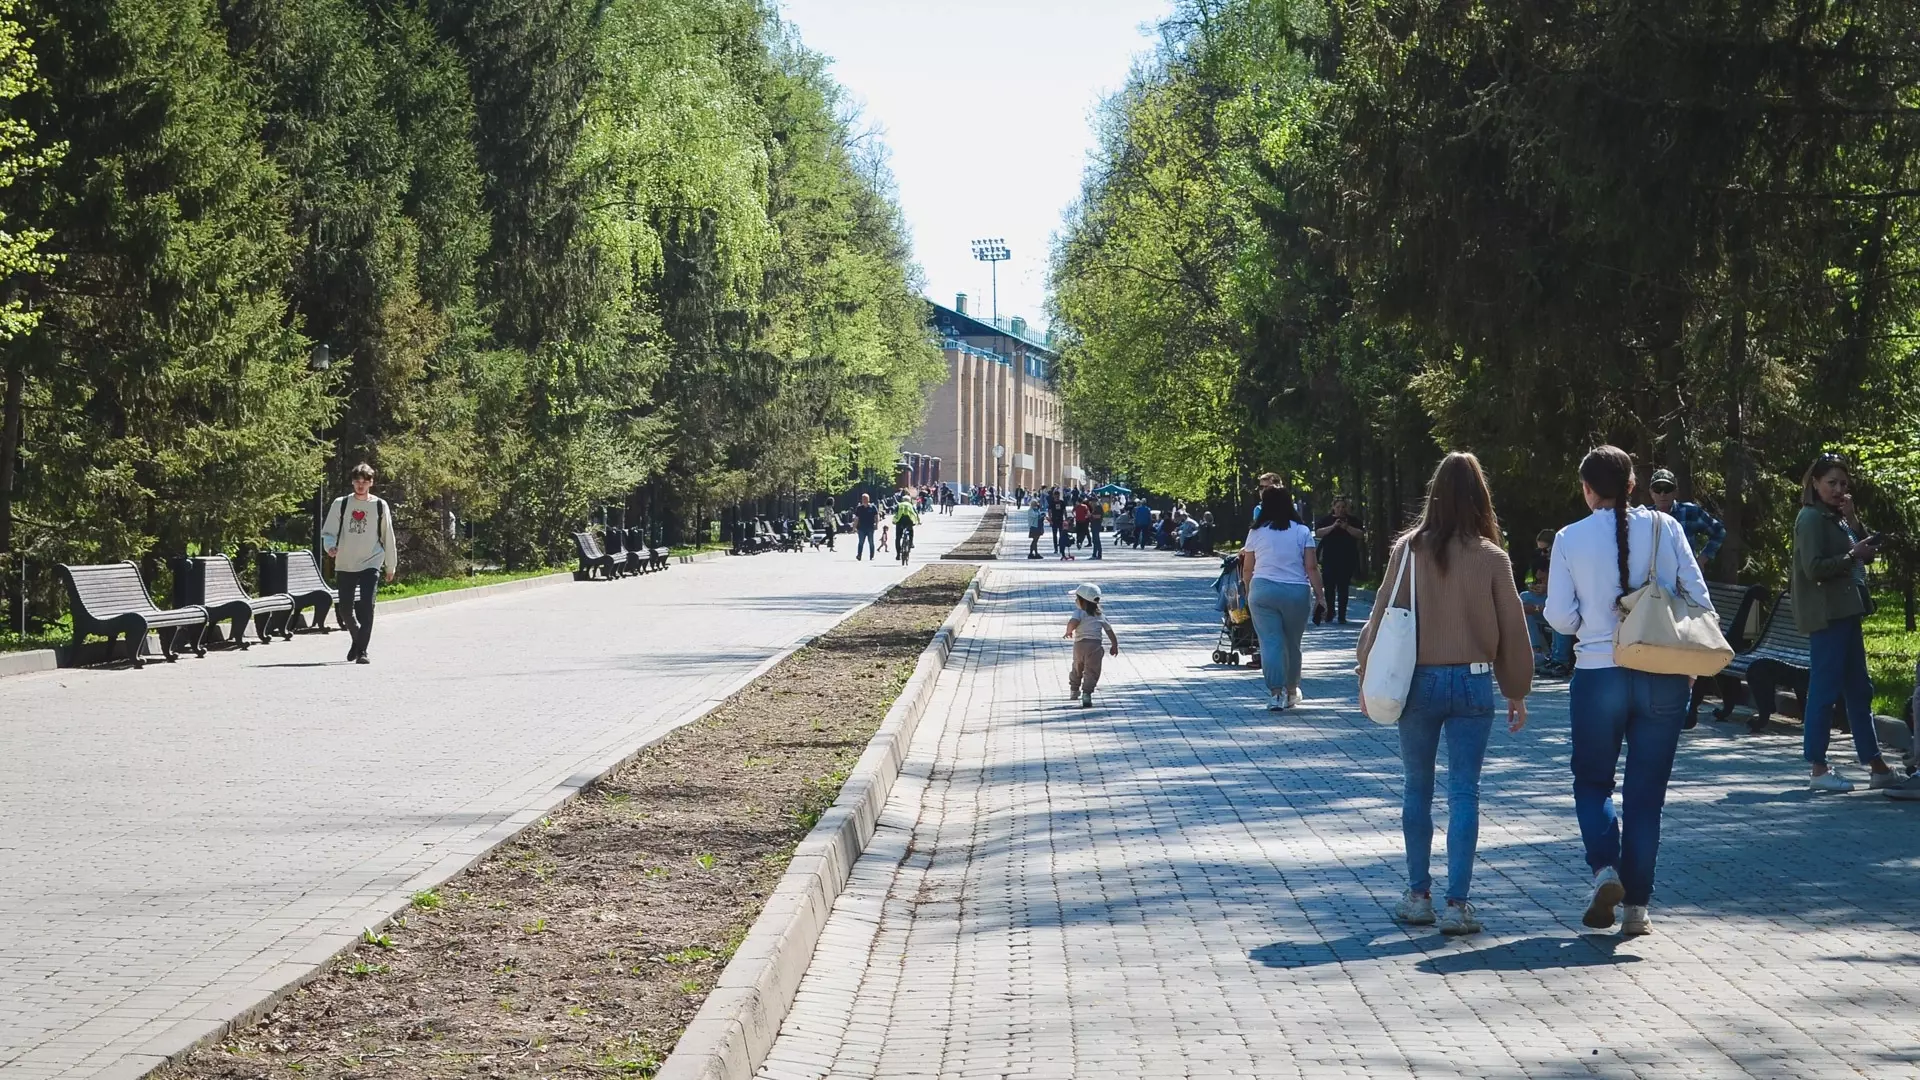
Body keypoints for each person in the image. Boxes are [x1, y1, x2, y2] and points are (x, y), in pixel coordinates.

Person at [1357, 452, 1532, 936]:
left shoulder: (1407, 550)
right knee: (1464, 793)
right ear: (1481, 498)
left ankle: (1418, 896)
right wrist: (1516, 689)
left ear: (1434, 494)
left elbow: (1380, 615)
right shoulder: (1493, 558)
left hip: (1418, 682)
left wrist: (1364, 673)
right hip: (1474, 683)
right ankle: (1458, 904)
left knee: (1417, 787)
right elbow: (1513, 629)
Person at [1546, 445, 1714, 937]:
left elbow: (1558, 615)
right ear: (1634, 484)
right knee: (1647, 798)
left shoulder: (1568, 538)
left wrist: (1589, 626)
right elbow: (1698, 599)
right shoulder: (1668, 528)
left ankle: (1605, 871)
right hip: (1663, 672)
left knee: (1593, 782)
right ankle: (1637, 909)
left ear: (1587, 489)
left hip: (1599, 672)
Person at [1791, 454, 1899, 793]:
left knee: (1859, 688)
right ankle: (1818, 768)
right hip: (1827, 615)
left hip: (1847, 611)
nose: (1839, 489)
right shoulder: (1811, 518)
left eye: (1843, 484)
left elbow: (1862, 548)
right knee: (1824, 690)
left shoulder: (1835, 517)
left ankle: (1876, 764)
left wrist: (1853, 519)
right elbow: (1813, 568)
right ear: (1815, 484)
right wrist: (1852, 555)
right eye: (1831, 483)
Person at [1240, 485, 1324, 710]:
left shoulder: (1256, 532)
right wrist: (1320, 596)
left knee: (1270, 643)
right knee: (1292, 644)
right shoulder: (1302, 531)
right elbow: (1312, 567)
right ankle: (1291, 691)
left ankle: (1274, 694)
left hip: (1263, 590)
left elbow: (1248, 568)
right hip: (1296, 591)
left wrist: (1249, 592)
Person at [321, 462, 398, 664]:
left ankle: (362, 651)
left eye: (365, 482)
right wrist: (330, 547)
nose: (361, 486)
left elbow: (387, 536)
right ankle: (357, 640)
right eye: (357, 482)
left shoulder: (380, 506)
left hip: (371, 561)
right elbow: (328, 532)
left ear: (371, 483)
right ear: (353, 482)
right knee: (345, 610)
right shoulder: (341, 504)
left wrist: (391, 565)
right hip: (345, 562)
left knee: (366, 605)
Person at [1648, 468, 1725, 566]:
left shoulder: (1690, 512)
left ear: (1675, 492)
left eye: (1667, 489)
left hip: (1684, 576)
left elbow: (1719, 531)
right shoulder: (1644, 516)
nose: (1663, 494)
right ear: (1651, 493)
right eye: (1657, 490)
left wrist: (1702, 560)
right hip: (1653, 577)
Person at [1064, 582, 1121, 708]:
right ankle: (1087, 694)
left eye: (1077, 598)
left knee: (1077, 666)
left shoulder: (1078, 613)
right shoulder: (1100, 615)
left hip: (1079, 646)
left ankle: (1074, 690)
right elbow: (1109, 630)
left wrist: (1069, 631)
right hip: (1095, 647)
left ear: (1082, 601)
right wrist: (1114, 645)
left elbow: (1073, 622)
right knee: (1092, 671)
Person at [1313, 497, 1366, 624]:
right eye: (1338, 507)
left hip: (1347, 559)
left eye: (1343, 507)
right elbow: (1319, 533)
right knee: (1329, 588)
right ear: (1333, 507)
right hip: (1329, 559)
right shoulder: (1326, 520)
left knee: (1343, 588)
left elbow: (1360, 534)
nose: (1341, 509)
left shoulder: (1353, 521)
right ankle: (1330, 612)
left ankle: (1342, 615)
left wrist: (1346, 527)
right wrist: (1333, 526)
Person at [852, 493, 878, 561]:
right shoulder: (859, 508)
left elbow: (876, 516)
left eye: (866, 499)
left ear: (868, 499)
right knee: (861, 542)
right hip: (861, 528)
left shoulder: (872, 507)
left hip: (870, 527)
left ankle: (871, 556)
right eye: (863, 499)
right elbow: (856, 518)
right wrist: (854, 527)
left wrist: (876, 524)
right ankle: (859, 555)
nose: (864, 500)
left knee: (871, 542)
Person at [893, 494, 920, 560]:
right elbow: (915, 513)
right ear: (909, 500)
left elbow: (895, 513)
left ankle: (898, 554)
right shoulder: (910, 505)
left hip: (900, 521)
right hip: (908, 521)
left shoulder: (899, 505)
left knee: (898, 538)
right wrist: (918, 521)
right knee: (911, 532)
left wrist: (894, 521)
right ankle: (911, 543)